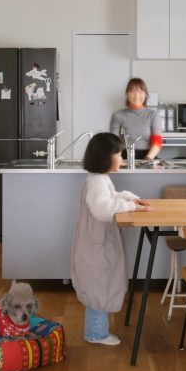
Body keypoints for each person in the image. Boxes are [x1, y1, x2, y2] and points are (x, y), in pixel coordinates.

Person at [70, 132, 153, 345]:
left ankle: (97, 330)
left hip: (97, 239)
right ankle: (96, 334)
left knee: (101, 281)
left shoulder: (100, 179)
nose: (122, 159)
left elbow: (112, 197)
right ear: (105, 157)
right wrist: (133, 207)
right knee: (100, 283)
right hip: (97, 242)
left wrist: (131, 199)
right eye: (119, 155)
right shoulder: (97, 182)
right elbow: (103, 209)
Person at [109, 77, 162, 161]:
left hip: (149, 156)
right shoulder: (117, 115)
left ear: (145, 94)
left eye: (140, 91)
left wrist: (148, 158)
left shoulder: (153, 115)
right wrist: (118, 159)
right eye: (132, 91)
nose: (136, 95)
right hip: (124, 157)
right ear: (127, 94)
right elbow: (113, 142)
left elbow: (157, 141)